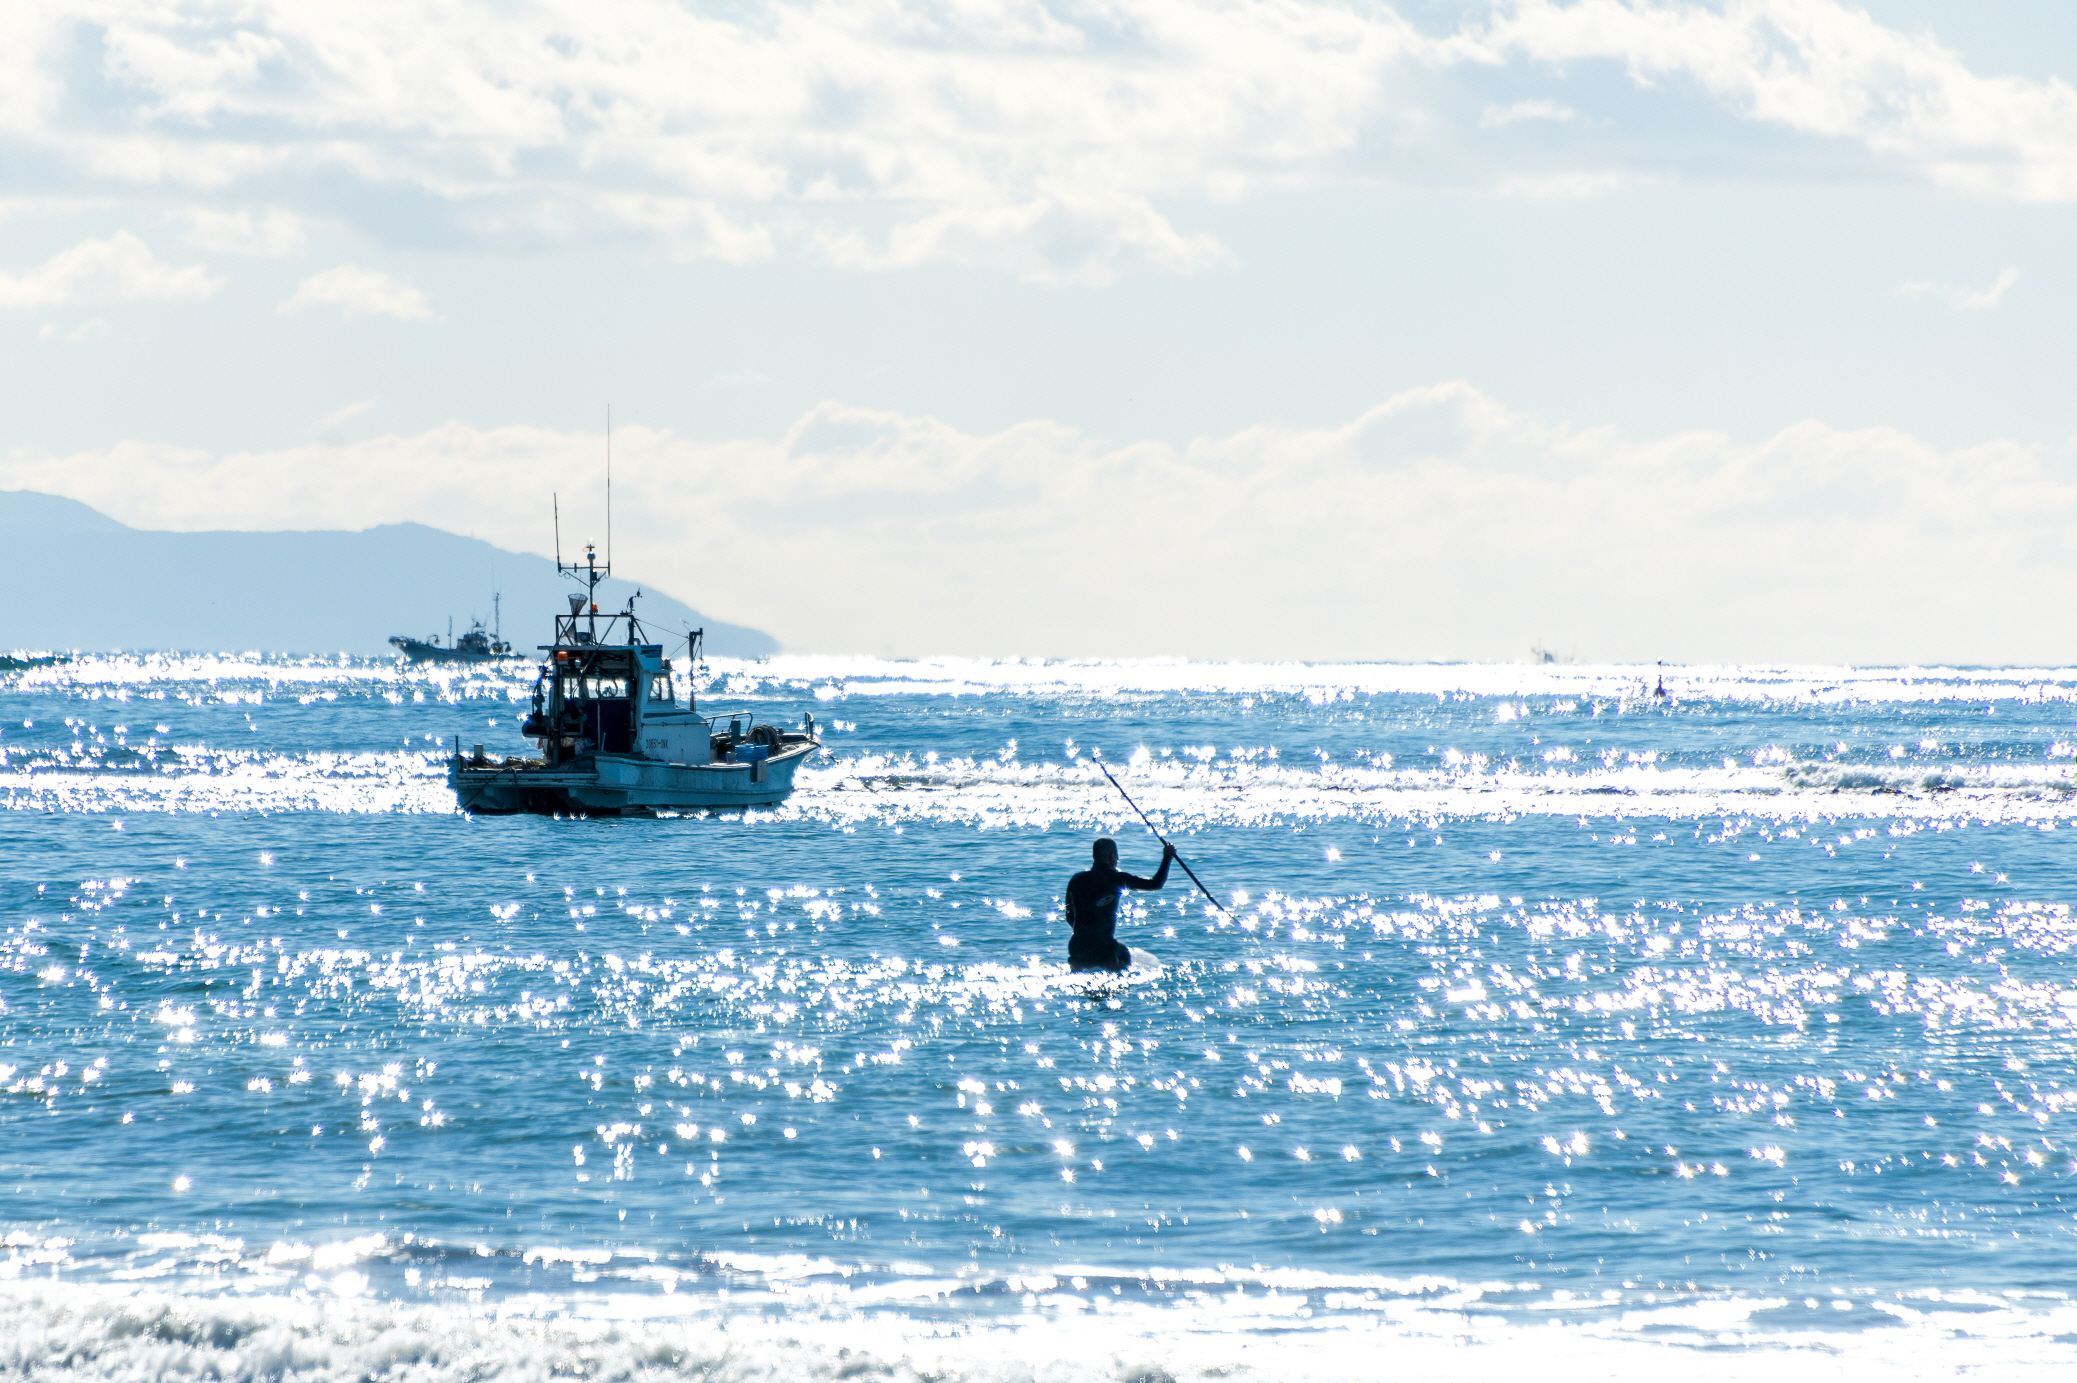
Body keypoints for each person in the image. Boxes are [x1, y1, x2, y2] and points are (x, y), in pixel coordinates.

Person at [1063, 836, 1173, 973]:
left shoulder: (1076, 879)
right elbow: (1155, 884)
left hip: (1077, 947)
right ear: (1111, 856)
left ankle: (1078, 968)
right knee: (1123, 955)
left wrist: (1087, 934)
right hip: (1104, 949)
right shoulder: (1117, 878)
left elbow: (1069, 916)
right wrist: (1167, 857)